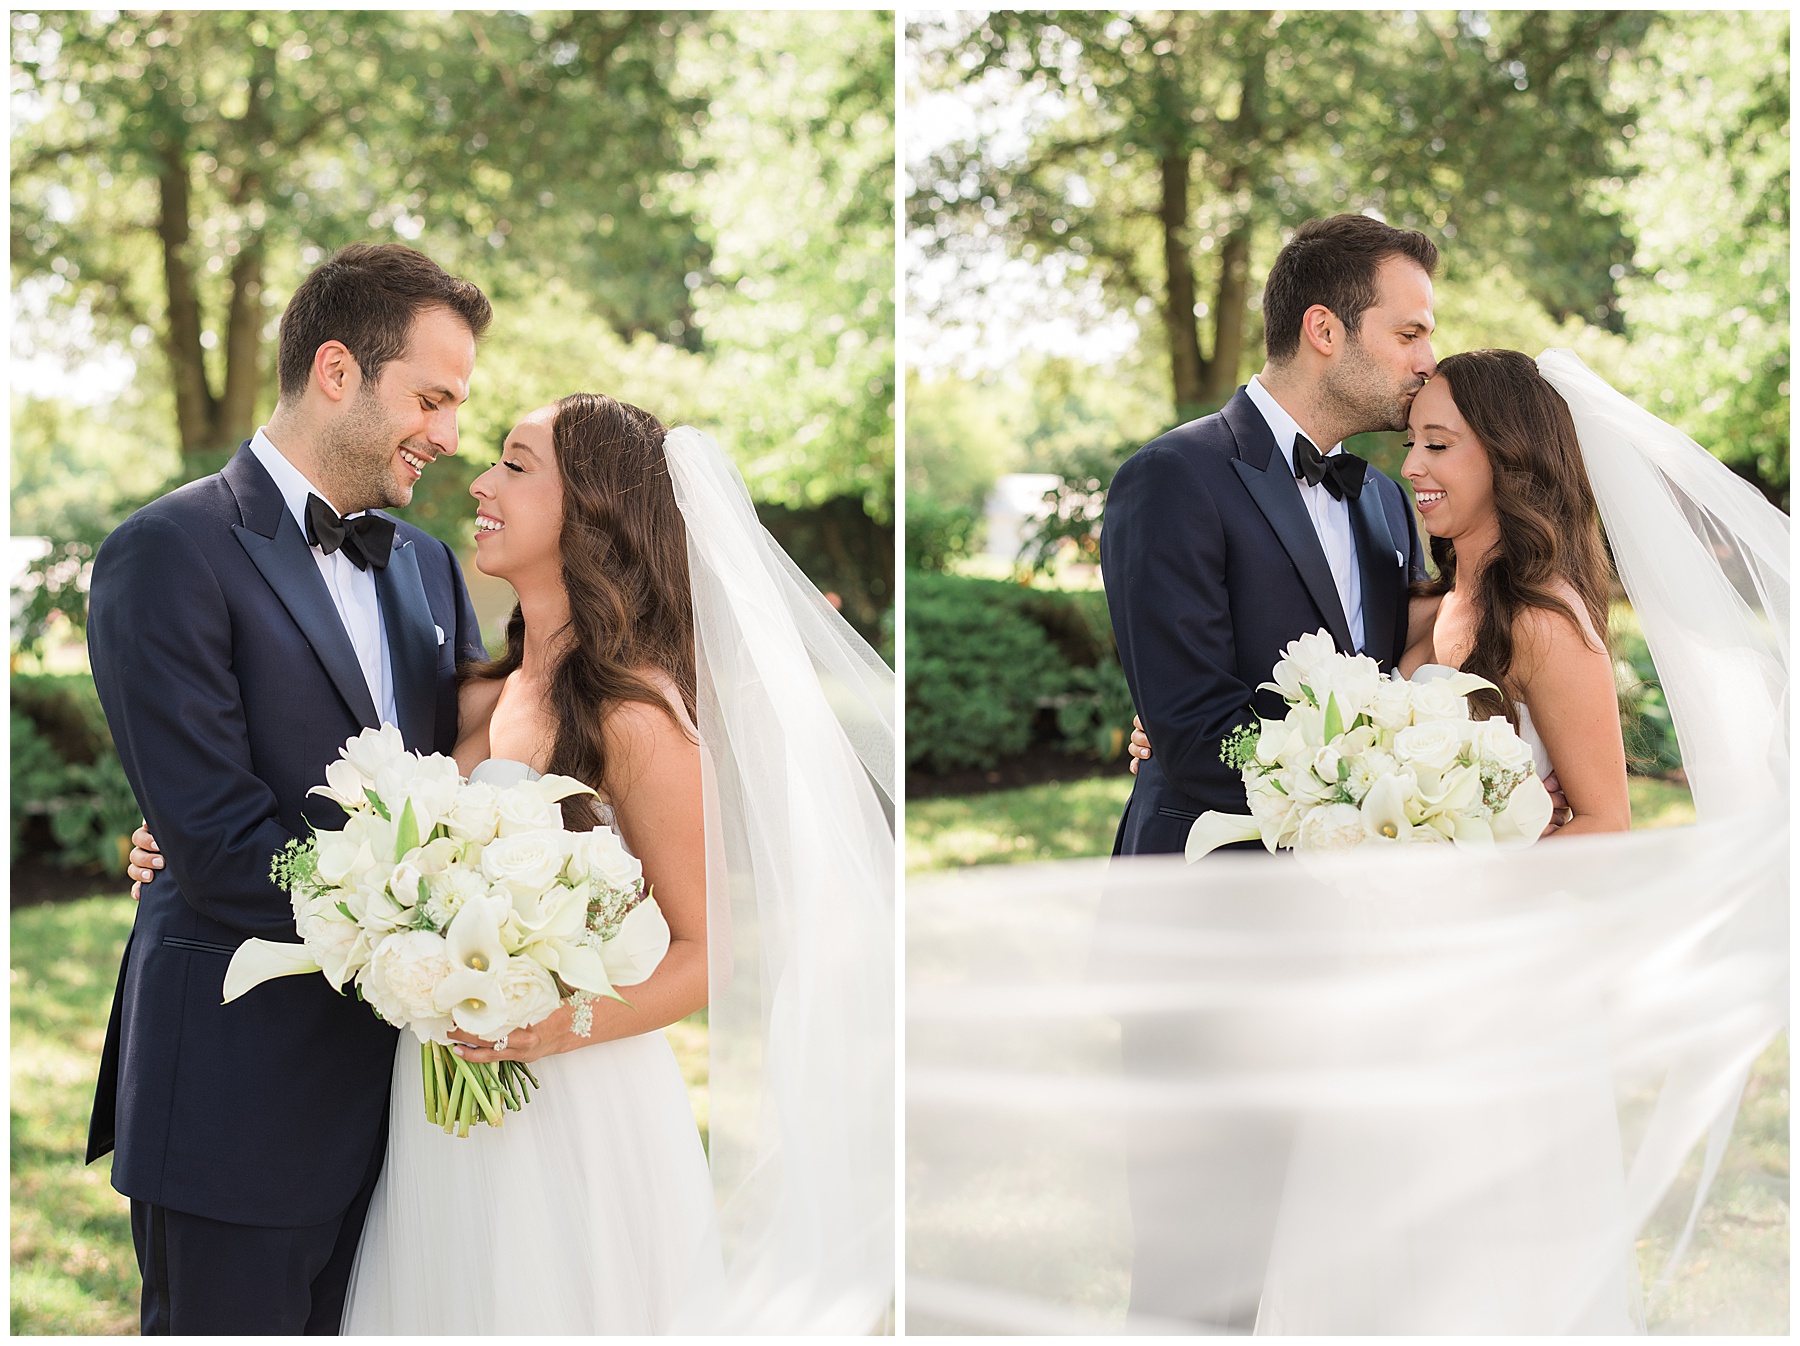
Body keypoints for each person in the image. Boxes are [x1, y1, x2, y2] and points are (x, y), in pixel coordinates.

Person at [907, 343, 1787, 1333]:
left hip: (1489, 998)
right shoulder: (1429, 602)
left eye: (1440, 444)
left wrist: (1456, 863)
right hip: (1374, 986)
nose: (1411, 466)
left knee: (1469, 1259)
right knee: (1352, 1247)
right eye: (1412, 440)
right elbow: (1328, 722)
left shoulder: (1547, 617)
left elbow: (1606, 820)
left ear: (1509, 455)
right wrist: (1184, 726)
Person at [129, 394, 897, 1332]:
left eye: (517, 465)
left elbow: (708, 951)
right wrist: (182, 829)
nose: (480, 480)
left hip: (568, 1103)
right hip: (429, 1108)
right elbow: (351, 808)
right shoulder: (475, 687)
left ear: (595, 510)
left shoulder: (637, 715)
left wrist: (552, 1028)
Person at [88, 242, 492, 1334]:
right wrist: (432, 939)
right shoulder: (164, 551)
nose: (451, 435)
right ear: (335, 370)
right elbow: (219, 842)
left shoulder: (427, 566)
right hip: (238, 1102)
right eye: (433, 396)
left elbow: (463, 797)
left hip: (410, 1113)